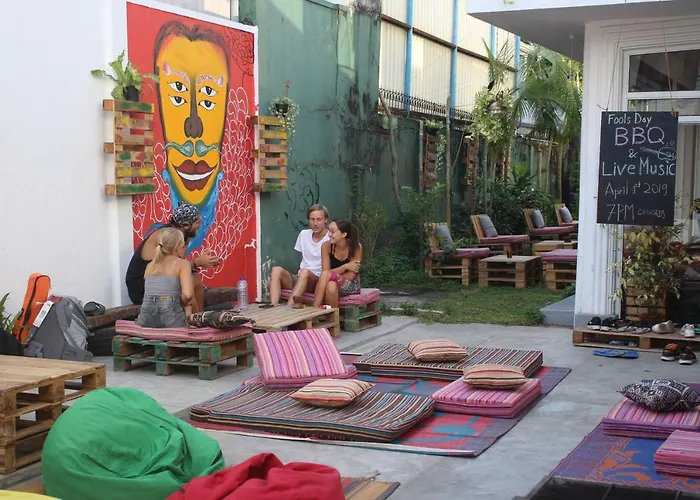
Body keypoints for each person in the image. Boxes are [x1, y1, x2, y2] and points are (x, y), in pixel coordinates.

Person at [125, 202, 220, 310]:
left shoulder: (185, 235)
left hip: (162, 281)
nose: (200, 225)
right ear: (186, 226)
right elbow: (170, 268)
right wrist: (197, 263)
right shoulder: (165, 237)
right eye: (197, 222)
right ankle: (192, 318)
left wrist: (204, 262)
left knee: (195, 279)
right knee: (189, 283)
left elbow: (178, 266)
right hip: (143, 287)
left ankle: (198, 317)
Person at [268, 204, 330, 307]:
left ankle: (288, 309)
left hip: (317, 281)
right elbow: (303, 258)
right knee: (276, 270)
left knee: (304, 272)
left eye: (319, 219)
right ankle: (273, 307)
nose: (315, 223)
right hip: (301, 278)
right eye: (312, 219)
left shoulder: (330, 237)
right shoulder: (303, 234)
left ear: (326, 220)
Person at [134, 227, 193, 328]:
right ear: (177, 247)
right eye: (183, 245)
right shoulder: (182, 264)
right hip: (171, 320)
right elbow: (188, 295)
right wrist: (182, 301)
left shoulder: (151, 265)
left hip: (145, 321)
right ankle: (191, 324)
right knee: (188, 301)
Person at [310, 220, 362, 309]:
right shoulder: (326, 246)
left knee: (326, 275)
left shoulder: (356, 247)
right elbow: (325, 271)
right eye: (329, 231)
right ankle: (334, 316)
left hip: (351, 285)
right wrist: (345, 267)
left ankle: (315, 307)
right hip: (331, 281)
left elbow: (350, 276)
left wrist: (332, 275)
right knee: (331, 285)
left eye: (332, 232)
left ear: (344, 234)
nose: (329, 234)